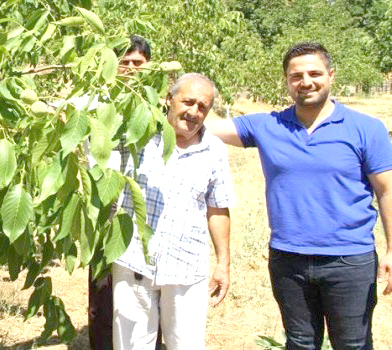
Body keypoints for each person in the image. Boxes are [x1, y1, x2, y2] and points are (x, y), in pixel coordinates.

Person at [208, 42, 392, 349]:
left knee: (354, 344)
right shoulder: (267, 125)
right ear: (287, 81)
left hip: (349, 260)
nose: (306, 81)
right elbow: (204, 124)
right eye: (296, 76)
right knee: (300, 342)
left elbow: (387, 190)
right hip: (288, 260)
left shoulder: (366, 129)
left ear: (331, 75)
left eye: (314, 73)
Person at [112, 73, 234, 350]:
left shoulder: (214, 149)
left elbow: (218, 207)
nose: (194, 111)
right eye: (188, 102)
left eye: (203, 106)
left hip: (186, 266)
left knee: (186, 344)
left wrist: (223, 263)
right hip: (134, 260)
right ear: (169, 99)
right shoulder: (137, 134)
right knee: (130, 344)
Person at [83, 35, 153, 350]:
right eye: (124, 62)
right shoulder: (96, 100)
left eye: (137, 63)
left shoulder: (157, 104)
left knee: (145, 291)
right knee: (102, 288)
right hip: (102, 209)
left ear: (149, 66)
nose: (130, 68)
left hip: (141, 210)